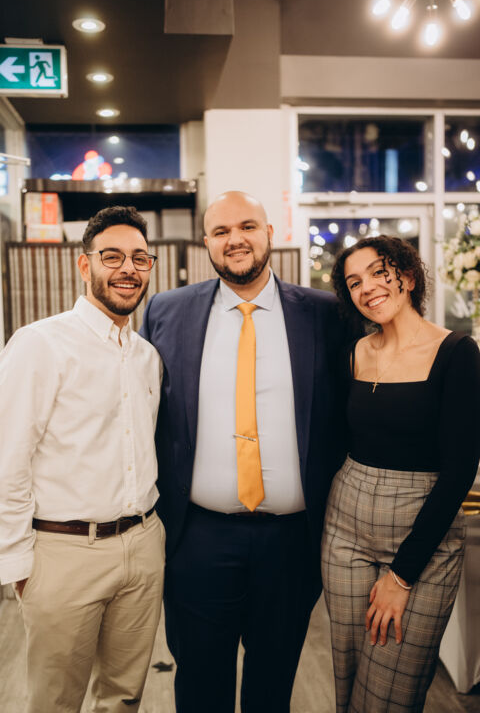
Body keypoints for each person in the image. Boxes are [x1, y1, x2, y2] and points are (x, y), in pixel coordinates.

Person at [141, 190, 352, 713]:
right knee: (199, 686)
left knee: (271, 688)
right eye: (221, 231)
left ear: (269, 234)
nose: (235, 239)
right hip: (198, 539)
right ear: (206, 243)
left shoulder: (326, 314)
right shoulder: (167, 310)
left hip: (292, 542)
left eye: (247, 227)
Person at [0, 206, 165, 713]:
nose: (128, 269)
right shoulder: (40, 344)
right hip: (64, 552)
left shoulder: (147, 356)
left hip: (142, 544)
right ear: (83, 264)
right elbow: (8, 460)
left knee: (123, 697)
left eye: (140, 258)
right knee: (55, 701)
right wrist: (18, 565)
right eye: (112, 256)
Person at [322, 234, 480, 713]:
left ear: (407, 277)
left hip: (423, 537)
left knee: (390, 693)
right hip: (345, 528)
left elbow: (459, 470)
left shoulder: (456, 351)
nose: (367, 287)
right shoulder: (354, 352)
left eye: (378, 272)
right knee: (348, 677)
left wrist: (402, 575)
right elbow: (337, 442)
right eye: (354, 282)